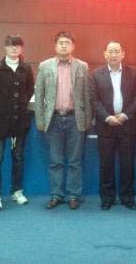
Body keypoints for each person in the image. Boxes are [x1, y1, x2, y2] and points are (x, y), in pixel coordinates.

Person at [34, 31, 92, 210]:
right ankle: (56, 195)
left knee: (75, 161)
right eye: (61, 42)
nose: (64, 45)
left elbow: (87, 95)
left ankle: (74, 195)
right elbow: (39, 94)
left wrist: (88, 119)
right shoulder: (45, 66)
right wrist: (40, 120)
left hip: (76, 118)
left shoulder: (82, 66)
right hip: (53, 119)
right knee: (55, 161)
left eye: (67, 42)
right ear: (55, 46)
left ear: (73, 46)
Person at [90, 41, 136, 210]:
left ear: (123, 54)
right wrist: (107, 117)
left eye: (117, 51)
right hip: (106, 126)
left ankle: (128, 197)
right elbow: (94, 100)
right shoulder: (96, 74)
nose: (114, 55)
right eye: (110, 51)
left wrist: (126, 115)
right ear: (105, 54)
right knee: (106, 164)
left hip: (127, 125)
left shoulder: (133, 73)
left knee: (127, 164)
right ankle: (107, 198)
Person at [0, 34, 35, 211]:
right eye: (11, 45)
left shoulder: (26, 68)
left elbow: (29, 90)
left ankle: (17, 191)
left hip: (19, 121)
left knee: (18, 157)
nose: (14, 48)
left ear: (22, 48)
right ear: (5, 48)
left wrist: (20, 103)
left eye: (17, 45)